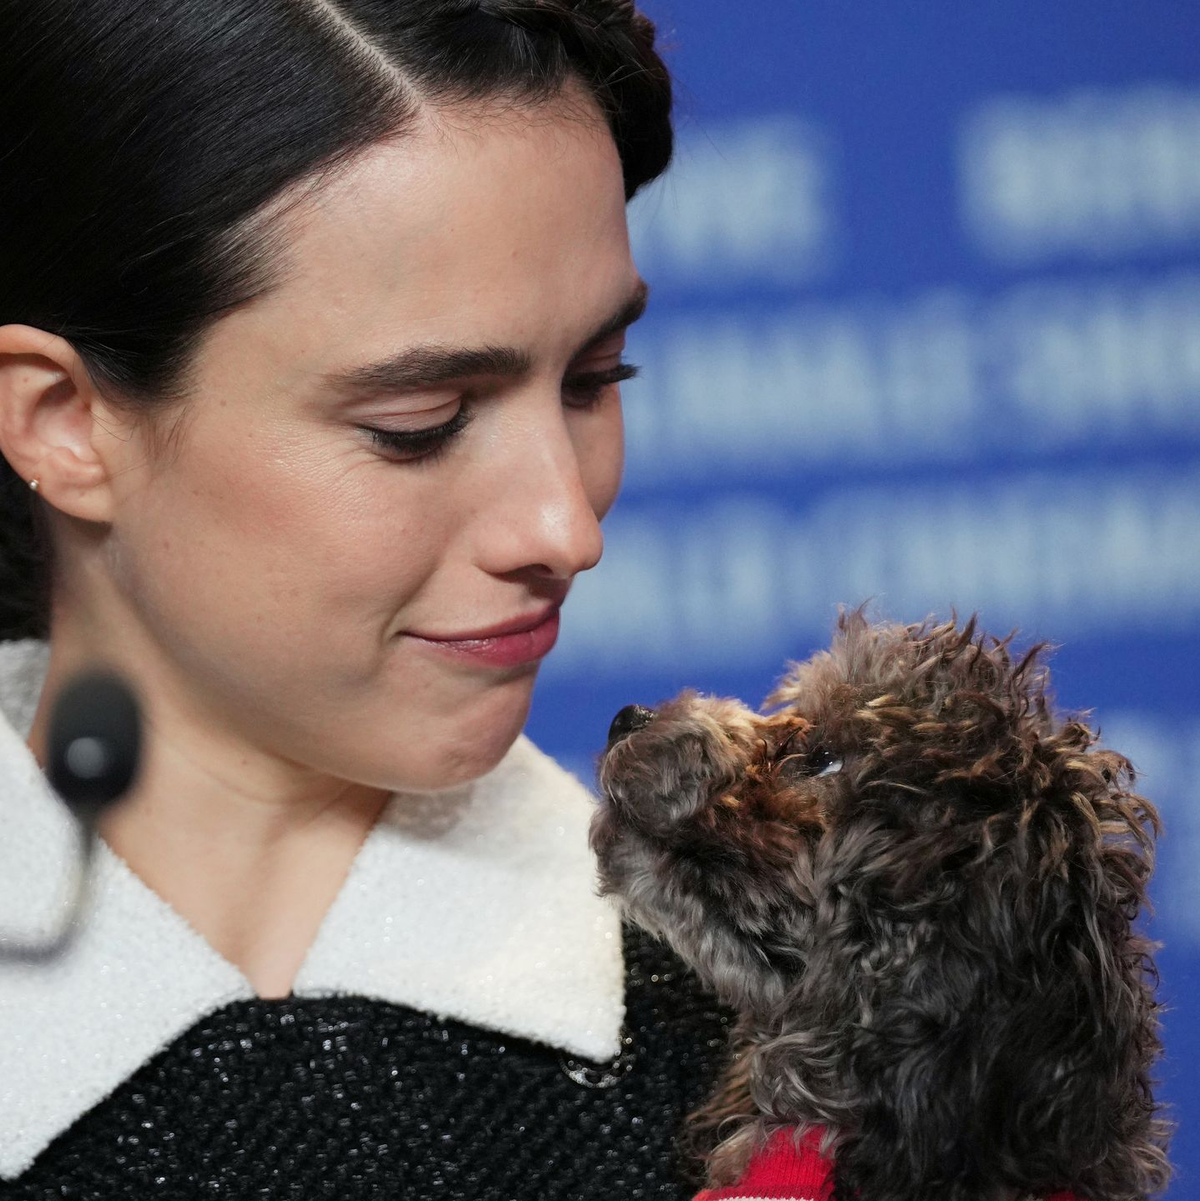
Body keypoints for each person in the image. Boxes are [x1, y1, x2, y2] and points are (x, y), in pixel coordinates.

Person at [0, 2, 735, 1195]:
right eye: (419, 426)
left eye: (597, 379)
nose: (568, 525)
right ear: (62, 420)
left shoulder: (811, 1056)